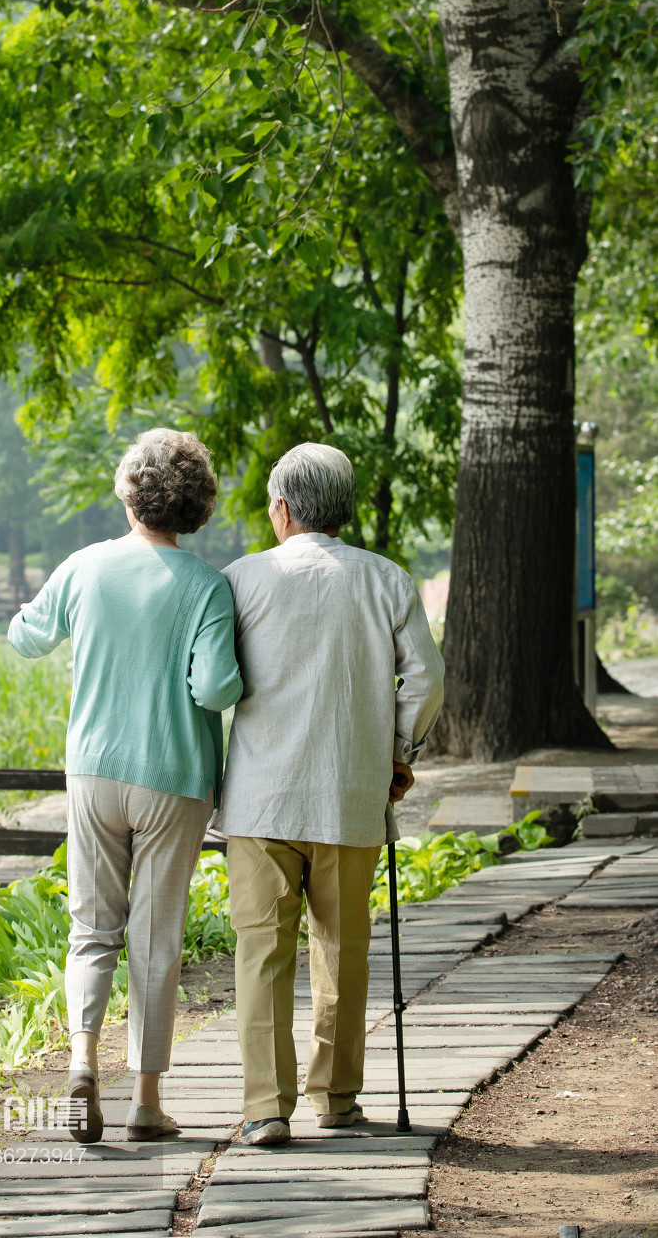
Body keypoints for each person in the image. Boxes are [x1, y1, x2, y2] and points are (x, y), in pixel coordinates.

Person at [8, 428, 242, 1144]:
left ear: (128, 491)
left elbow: (25, 636)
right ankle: (144, 1100)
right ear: (198, 504)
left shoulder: (84, 567)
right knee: (155, 936)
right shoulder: (207, 585)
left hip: (94, 770)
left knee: (91, 927)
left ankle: (81, 1060)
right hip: (175, 777)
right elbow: (216, 687)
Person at [216, 442, 444, 1146]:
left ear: (282, 509)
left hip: (260, 798)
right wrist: (399, 755)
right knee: (343, 952)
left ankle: (264, 1108)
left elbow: (212, 679)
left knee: (261, 954)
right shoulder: (385, 580)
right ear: (340, 509)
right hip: (350, 793)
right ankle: (337, 1098)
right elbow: (427, 679)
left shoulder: (241, 580)